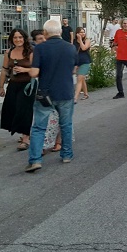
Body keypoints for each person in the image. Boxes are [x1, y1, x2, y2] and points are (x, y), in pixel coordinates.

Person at [25, 19, 77, 172]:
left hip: (45, 94)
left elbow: (34, 73)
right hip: (66, 91)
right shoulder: (71, 48)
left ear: (45, 33)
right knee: (66, 124)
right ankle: (67, 154)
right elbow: (74, 69)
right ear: (60, 32)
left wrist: (26, 70)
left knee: (39, 127)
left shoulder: (40, 48)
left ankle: (35, 160)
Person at [0, 29, 35, 151]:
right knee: (12, 109)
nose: (18, 40)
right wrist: (1, 86)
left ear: (24, 38)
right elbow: (4, 69)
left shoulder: (30, 52)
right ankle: (23, 132)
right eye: (15, 38)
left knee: (24, 110)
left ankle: (26, 138)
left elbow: (37, 70)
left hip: (27, 86)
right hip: (13, 84)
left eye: (20, 37)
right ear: (11, 39)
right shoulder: (8, 52)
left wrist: (25, 70)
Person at [73, 27, 92, 103]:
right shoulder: (74, 41)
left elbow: (84, 48)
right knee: (82, 78)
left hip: (85, 61)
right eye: (80, 32)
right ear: (77, 33)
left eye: (83, 32)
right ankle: (86, 93)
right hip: (77, 62)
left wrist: (80, 40)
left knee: (79, 79)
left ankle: (75, 97)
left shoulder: (87, 40)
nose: (82, 33)